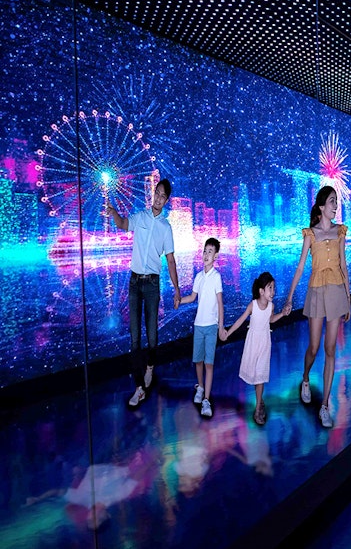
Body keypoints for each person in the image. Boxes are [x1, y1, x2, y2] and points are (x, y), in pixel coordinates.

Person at [105, 178, 181, 408]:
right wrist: (114, 213)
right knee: (134, 336)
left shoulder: (166, 228)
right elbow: (123, 224)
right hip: (134, 282)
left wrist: (177, 289)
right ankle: (139, 387)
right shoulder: (140, 217)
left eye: (162, 196)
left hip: (152, 285)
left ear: (166, 201)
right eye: (156, 193)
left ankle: (150, 365)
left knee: (152, 336)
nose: (158, 198)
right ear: (152, 194)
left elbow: (170, 259)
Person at [284, 186, 350, 429]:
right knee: (313, 347)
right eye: (332, 201)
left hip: (336, 291)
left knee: (330, 348)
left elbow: (343, 266)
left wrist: (348, 298)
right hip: (316, 290)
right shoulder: (310, 234)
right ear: (321, 206)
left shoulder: (340, 232)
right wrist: (290, 297)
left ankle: (324, 406)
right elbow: (301, 267)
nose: (336, 206)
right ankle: (305, 378)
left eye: (337, 202)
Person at [222, 272, 288, 426]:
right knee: (254, 375)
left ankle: (258, 408)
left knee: (260, 375)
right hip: (253, 343)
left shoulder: (271, 306)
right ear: (261, 291)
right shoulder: (253, 305)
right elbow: (240, 320)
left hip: (265, 342)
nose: (273, 291)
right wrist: (228, 333)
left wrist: (282, 314)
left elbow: (270, 319)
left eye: (274, 288)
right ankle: (260, 399)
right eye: (270, 287)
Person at [177, 237, 224, 418]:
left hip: (211, 325)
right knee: (197, 361)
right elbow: (192, 297)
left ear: (216, 256)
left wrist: (220, 326)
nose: (206, 254)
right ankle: (200, 386)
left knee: (209, 364)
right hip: (198, 325)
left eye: (210, 252)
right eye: (204, 251)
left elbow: (220, 303)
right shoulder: (198, 276)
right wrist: (179, 301)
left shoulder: (216, 276)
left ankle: (206, 399)